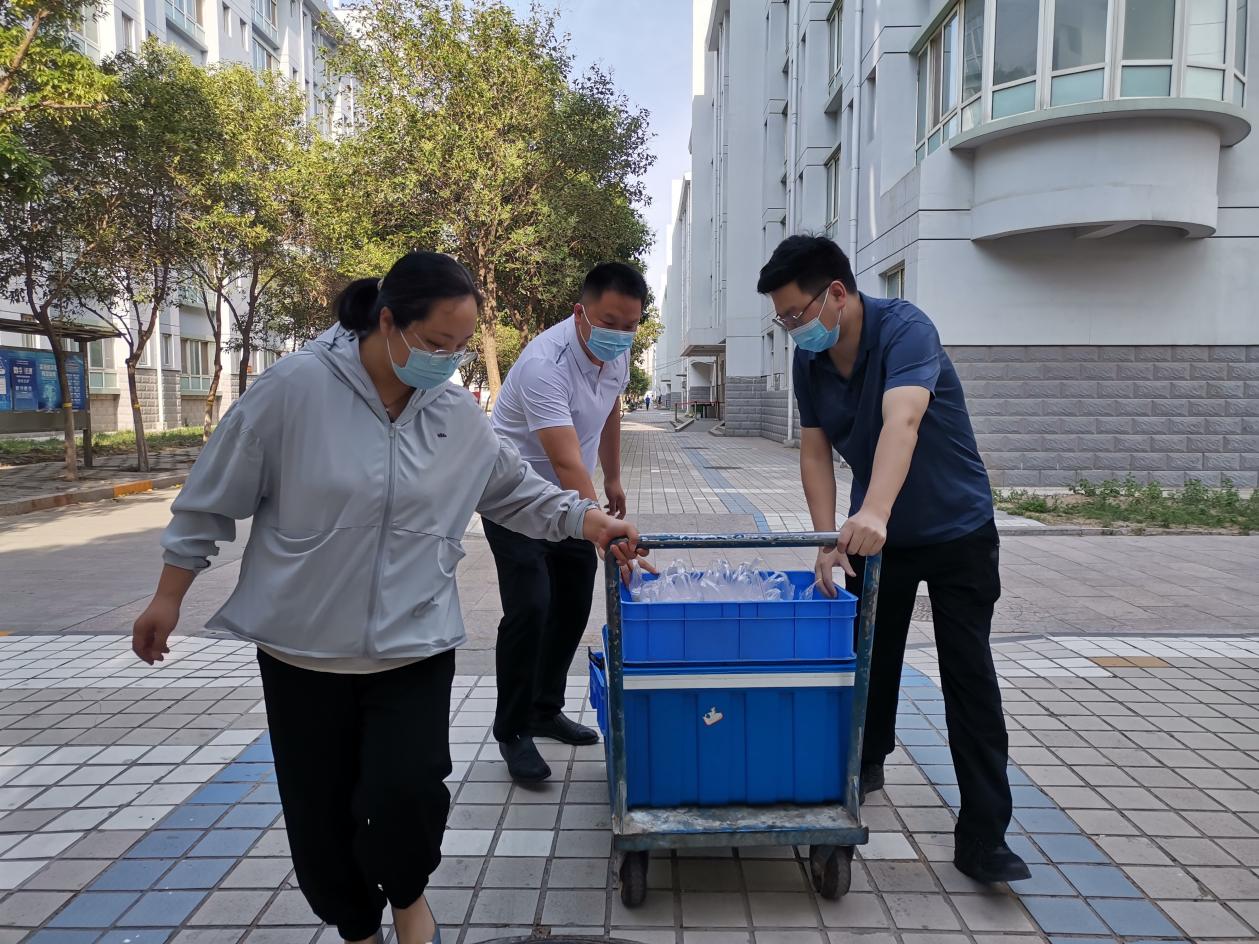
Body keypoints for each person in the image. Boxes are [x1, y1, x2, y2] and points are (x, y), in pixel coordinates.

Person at [130, 252, 644, 944]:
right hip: (302, 649)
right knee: (321, 823)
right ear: (388, 322)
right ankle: (357, 927)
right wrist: (170, 593)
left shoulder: (453, 413)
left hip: (413, 641)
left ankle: (408, 896)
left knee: (409, 797)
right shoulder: (293, 390)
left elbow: (513, 490)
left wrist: (588, 519)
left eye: (460, 348)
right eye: (437, 344)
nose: (448, 362)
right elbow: (210, 499)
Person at [756, 235, 1030, 885]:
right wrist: (827, 537)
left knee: (968, 676)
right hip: (872, 536)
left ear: (837, 294)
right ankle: (867, 759)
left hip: (955, 526)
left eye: (795, 316)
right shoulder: (811, 363)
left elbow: (902, 421)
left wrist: (875, 511)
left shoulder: (906, 329)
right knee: (866, 660)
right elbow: (814, 452)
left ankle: (984, 836)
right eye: (781, 321)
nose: (792, 331)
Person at [486, 261, 646, 781]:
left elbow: (611, 411)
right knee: (530, 607)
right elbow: (565, 462)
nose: (620, 335)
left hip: (572, 505)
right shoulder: (543, 365)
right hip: (515, 500)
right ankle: (512, 731)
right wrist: (599, 522)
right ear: (580, 312)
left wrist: (615, 478)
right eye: (609, 322)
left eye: (630, 325)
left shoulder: (614, 354)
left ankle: (544, 708)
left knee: (573, 605)